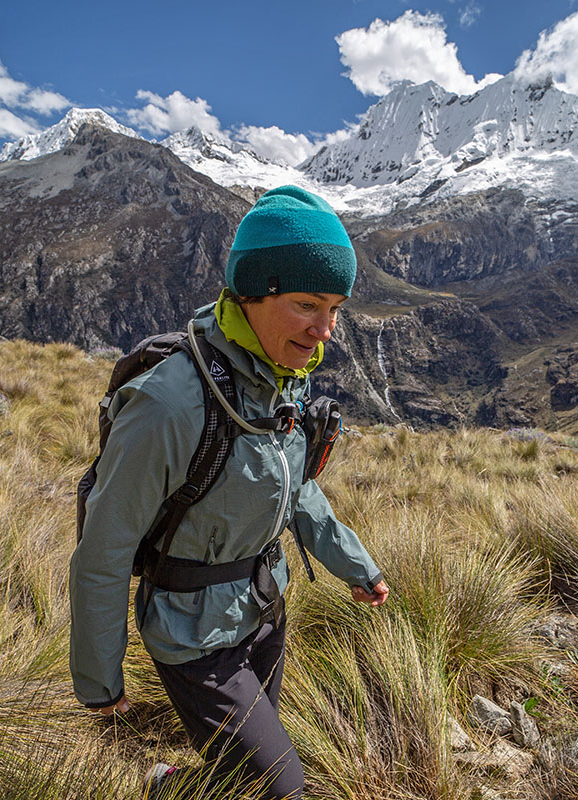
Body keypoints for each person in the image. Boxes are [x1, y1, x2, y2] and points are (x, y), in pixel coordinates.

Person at [70, 185, 390, 799]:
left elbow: (295, 491)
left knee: (234, 776)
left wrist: (353, 563)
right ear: (252, 293)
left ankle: (169, 786)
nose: (325, 332)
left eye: (336, 308)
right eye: (307, 304)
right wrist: (99, 679)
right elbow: (104, 548)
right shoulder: (169, 404)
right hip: (193, 634)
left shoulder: (280, 380)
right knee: (279, 790)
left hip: (267, 609)